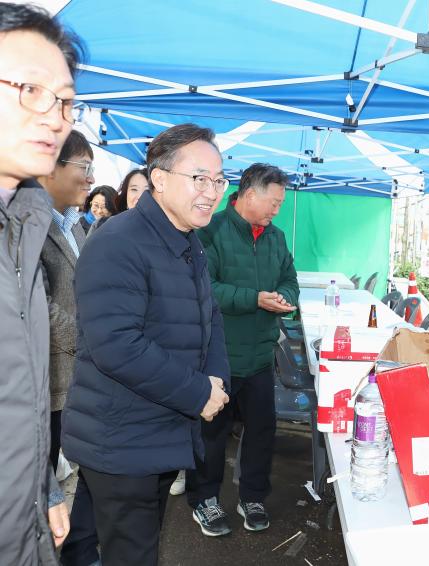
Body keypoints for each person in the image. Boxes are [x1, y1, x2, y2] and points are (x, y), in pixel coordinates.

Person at [62, 123, 231, 566]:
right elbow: (116, 345)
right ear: (159, 179)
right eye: (199, 178)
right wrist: (198, 393)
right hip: (120, 440)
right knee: (129, 552)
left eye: (219, 180)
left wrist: (217, 382)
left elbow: (208, 316)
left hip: (159, 431)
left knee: (92, 543)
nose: (211, 191)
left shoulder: (190, 243)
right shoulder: (118, 241)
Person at [0, 3, 84, 564]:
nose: (55, 117)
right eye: (30, 89)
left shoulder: (22, 228)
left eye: (66, 100)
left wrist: (43, 490)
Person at [188, 162, 298, 535]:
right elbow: (206, 289)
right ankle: (205, 500)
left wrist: (284, 297)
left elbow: (289, 278)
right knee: (212, 434)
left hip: (260, 356)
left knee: (262, 430)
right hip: (218, 356)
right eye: (274, 202)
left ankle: (252, 496)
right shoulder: (211, 231)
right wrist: (254, 299)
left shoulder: (276, 238)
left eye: (281, 205)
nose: (276, 210)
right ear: (249, 194)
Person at [36, 129, 92, 472]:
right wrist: (88, 339)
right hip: (48, 374)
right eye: (84, 166)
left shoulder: (75, 224)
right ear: (51, 168)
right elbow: (37, 302)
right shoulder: (31, 223)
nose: (91, 178)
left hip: (72, 374)